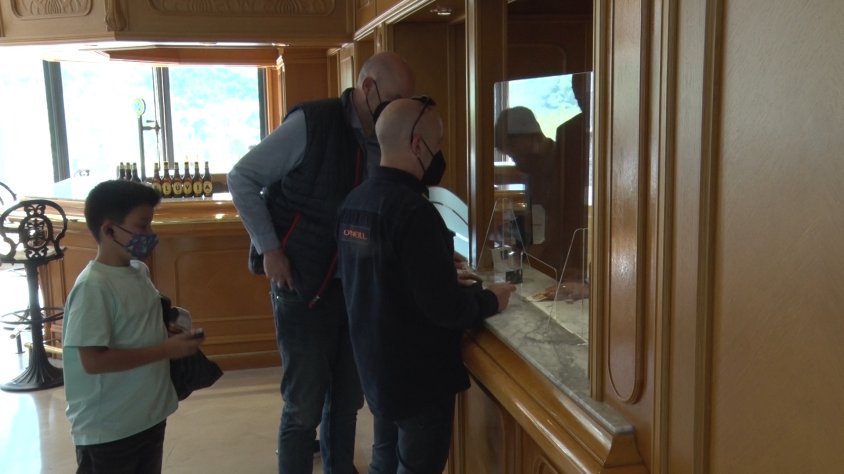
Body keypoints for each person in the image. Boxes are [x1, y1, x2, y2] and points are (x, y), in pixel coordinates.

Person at [227, 51, 415, 473]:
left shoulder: (388, 135)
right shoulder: (312, 123)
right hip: (302, 283)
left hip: (357, 290)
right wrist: (270, 249)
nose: (399, 110)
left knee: (346, 403)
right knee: (303, 408)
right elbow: (242, 177)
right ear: (368, 88)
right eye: (394, 99)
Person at [336, 97, 517, 473]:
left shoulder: (355, 202)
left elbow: (380, 276)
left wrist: (434, 267)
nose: (439, 155)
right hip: (418, 378)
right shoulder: (414, 211)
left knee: (385, 459)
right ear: (417, 145)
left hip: (375, 367)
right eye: (437, 144)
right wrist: (491, 300)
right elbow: (446, 308)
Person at [63, 179, 205, 474]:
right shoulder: (93, 287)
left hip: (147, 415)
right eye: (142, 226)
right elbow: (93, 361)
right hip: (110, 429)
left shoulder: (139, 272)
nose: (150, 234)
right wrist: (165, 349)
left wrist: (168, 329)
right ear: (108, 229)